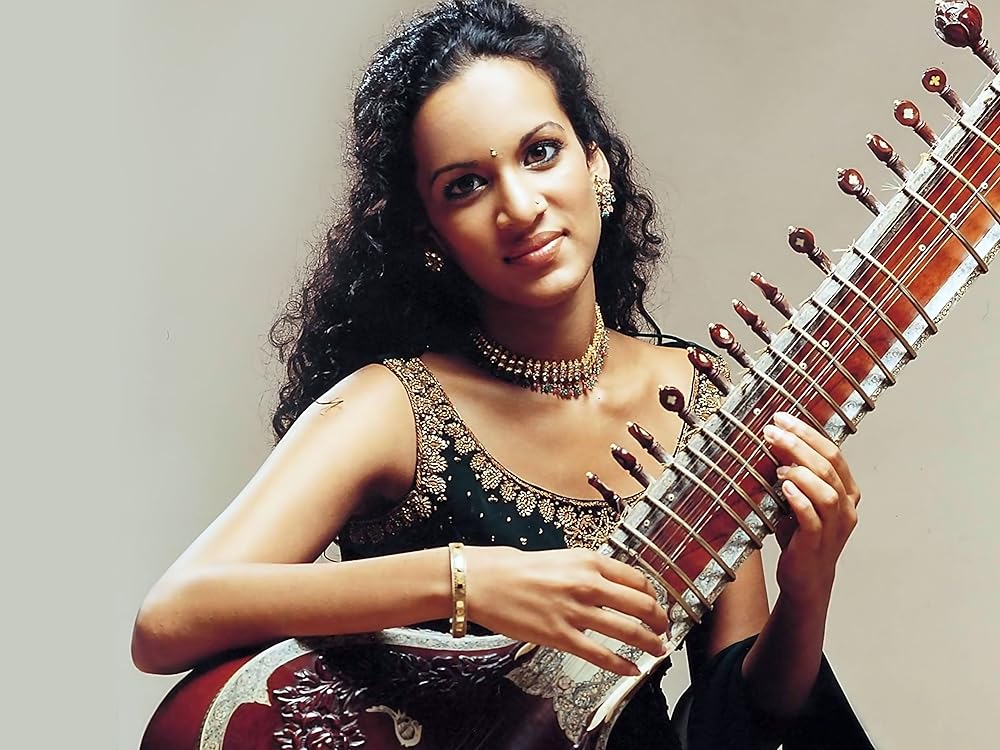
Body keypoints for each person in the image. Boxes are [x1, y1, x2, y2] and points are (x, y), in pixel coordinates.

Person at [132, 1, 873, 747]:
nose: (519, 206)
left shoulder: (694, 397)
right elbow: (170, 618)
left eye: (541, 152)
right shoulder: (394, 408)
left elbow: (735, 717)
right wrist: (467, 582)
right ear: (428, 231)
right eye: (465, 185)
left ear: (596, 163)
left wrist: (809, 587)